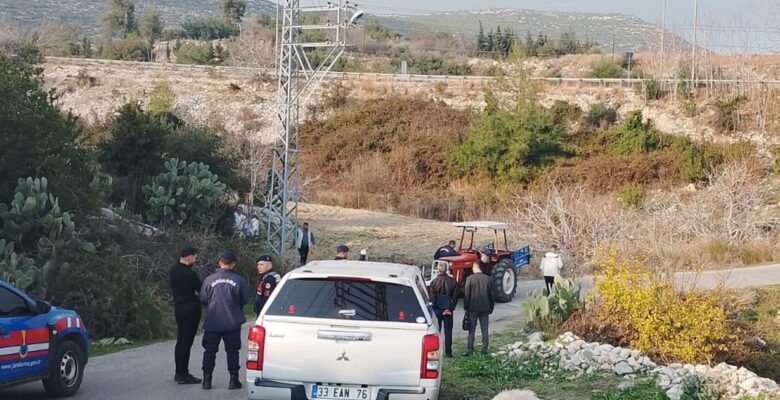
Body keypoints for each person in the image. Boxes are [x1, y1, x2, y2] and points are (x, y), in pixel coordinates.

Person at [199, 251, 249, 391]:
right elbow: (244, 299)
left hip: (213, 322)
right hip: (232, 322)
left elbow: (203, 299)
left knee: (209, 351)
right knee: (232, 351)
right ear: (233, 264)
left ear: (219, 262)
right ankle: (233, 380)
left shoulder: (209, 280)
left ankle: (206, 380)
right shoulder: (239, 280)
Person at [170, 247, 203, 385]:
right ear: (189, 257)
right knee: (186, 343)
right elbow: (200, 289)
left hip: (179, 308)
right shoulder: (190, 274)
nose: (195, 260)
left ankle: (179, 372)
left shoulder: (173, 270)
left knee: (180, 341)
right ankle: (183, 374)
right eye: (195, 257)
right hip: (191, 309)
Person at [463, 256, 494, 356]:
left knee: (471, 329)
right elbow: (492, 295)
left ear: (476, 266)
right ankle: (484, 349)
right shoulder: (488, 279)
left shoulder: (470, 279)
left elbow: (467, 295)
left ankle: (470, 349)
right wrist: (491, 307)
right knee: (484, 329)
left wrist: (466, 307)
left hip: (472, 308)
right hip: (485, 308)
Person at [428, 264, 458, 358]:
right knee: (448, 332)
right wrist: (449, 309)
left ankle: (437, 351)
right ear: (447, 270)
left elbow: (432, 299)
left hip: (438, 311)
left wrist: (440, 310)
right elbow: (455, 297)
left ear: (438, 270)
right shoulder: (453, 282)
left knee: (437, 331)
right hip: (448, 311)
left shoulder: (433, 283)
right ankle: (448, 352)